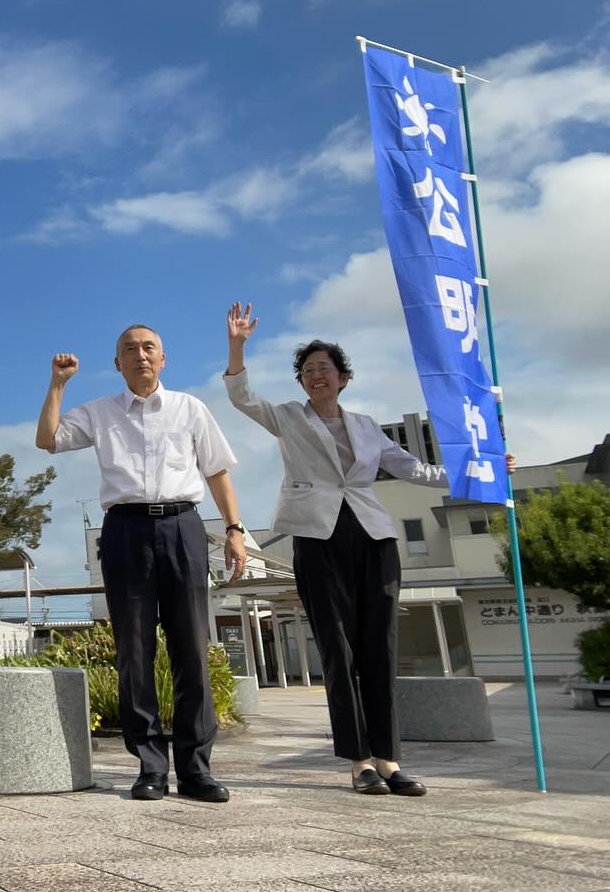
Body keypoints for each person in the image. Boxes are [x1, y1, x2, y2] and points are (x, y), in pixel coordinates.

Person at [223, 303, 517, 796]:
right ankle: (358, 762)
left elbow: (415, 469)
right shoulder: (289, 418)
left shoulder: (365, 426)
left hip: (373, 537)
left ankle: (389, 760)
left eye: (325, 368)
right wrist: (238, 345)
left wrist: (482, 472)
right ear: (301, 381)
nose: (317, 375)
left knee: (380, 648)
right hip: (318, 538)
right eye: (308, 370)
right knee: (338, 649)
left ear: (343, 378)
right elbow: (241, 396)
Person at [36, 325, 247, 804]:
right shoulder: (99, 412)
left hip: (183, 527)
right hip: (125, 531)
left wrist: (234, 530)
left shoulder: (190, 408)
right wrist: (58, 383)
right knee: (134, 651)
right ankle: (150, 765)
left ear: (164, 358)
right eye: (129, 350)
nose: (140, 355)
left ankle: (195, 768)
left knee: (191, 647)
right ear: (117, 364)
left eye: (148, 347)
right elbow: (47, 439)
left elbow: (216, 471)